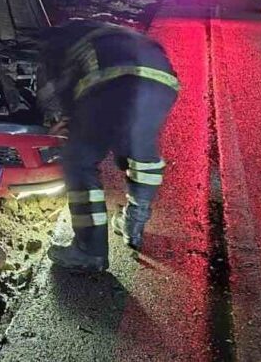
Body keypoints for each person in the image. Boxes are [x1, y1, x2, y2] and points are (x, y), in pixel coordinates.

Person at [38, 20, 180, 271]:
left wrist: (66, 118)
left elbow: (59, 83)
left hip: (112, 80)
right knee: (141, 152)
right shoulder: (113, 33)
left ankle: (89, 251)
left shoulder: (58, 40)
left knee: (79, 160)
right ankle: (133, 224)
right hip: (163, 82)